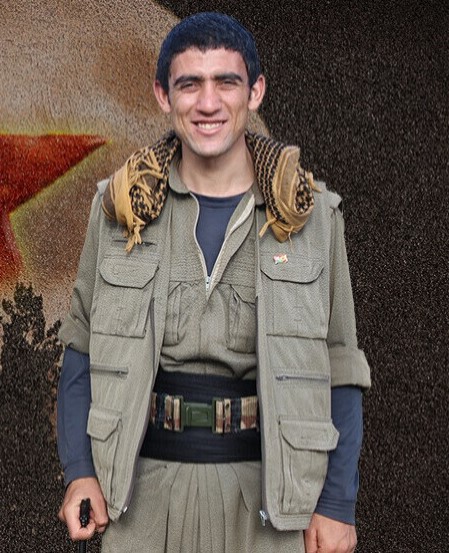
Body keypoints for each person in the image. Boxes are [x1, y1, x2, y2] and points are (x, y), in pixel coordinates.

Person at [57, 11, 371, 553]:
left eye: (226, 82)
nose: (208, 103)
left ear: (255, 92)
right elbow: (79, 347)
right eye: (189, 84)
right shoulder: (117, 210)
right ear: (163, 95)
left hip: (268, 502)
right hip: (139, 494)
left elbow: (340, 364)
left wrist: (337, 501)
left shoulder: (314, 217)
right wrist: (79, 470)